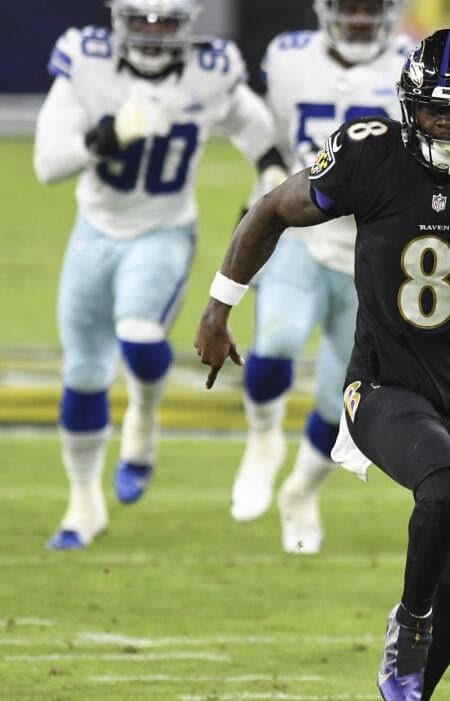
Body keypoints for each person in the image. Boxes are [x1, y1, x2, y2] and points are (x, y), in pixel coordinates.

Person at [195, 29, 450, 701]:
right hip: (383, 385)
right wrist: (218, 307)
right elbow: (270, 210)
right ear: (407, 107)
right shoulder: (369, 152)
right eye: (433, 113)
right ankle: (409, 621)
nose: (446, 128)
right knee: (449, 490)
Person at [33, 0, 282, 550]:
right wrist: (107, 136)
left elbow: (256, 130)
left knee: (140, 338)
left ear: (186, 24)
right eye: (140, 20)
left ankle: (143, 418)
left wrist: (267, 172)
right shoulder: (87, 59)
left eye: (164, 20)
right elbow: (47, 164)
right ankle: (84, 504)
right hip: (93, 231)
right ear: (118, 20)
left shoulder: (210, 69)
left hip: (163, 232)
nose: (151, 32)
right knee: (84, 373)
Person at [228, 0, 414, 554]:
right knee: (276, 343)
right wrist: (263, 187)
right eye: (348, 7)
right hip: (302, 235)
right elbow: (267, 135)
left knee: (344, 401)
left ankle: (302, 493)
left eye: (369, 8)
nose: (358, 19)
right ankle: (263, 438)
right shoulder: (289, 58)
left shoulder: (412, 65)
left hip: (374, 253)